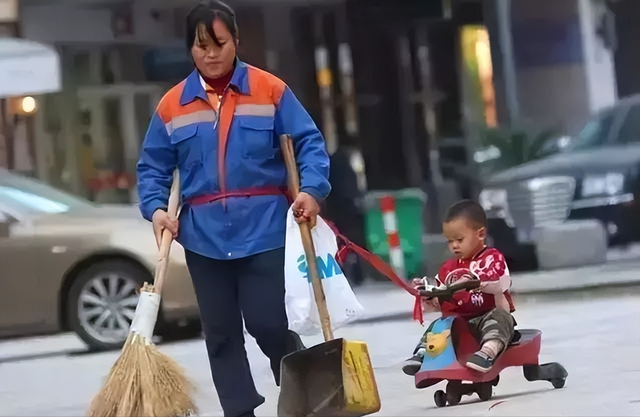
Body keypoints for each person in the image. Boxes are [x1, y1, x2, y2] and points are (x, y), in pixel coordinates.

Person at [136, 1, 331, 416]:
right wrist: (155, 209)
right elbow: (152, 166)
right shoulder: (173, 105)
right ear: (190, 48)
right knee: (221, 335)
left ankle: (301, 378)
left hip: (264, 228)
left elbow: (310, 144)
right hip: (203, 236)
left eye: (219, 43)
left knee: (268, 323)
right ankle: (239, 410)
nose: (211, 53)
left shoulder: (270, 90)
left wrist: (311, 190)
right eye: (201, 45)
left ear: (236, 42)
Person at [402, 200, 516, 375]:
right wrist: (428, 294)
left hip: (486, 315)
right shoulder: (449, 267)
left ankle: (488, 352)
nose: (454, 245)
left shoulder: (492, 258)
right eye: (450, 241)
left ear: (480, 234)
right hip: (460, 321)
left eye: (459, 240)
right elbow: (441, 300)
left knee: (500, 319)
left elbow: (501, 282)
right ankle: (422, 353)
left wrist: (474, 282)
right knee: (439, 324)